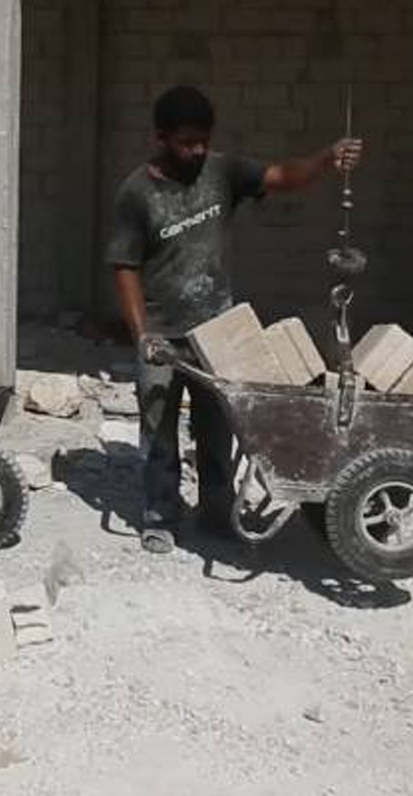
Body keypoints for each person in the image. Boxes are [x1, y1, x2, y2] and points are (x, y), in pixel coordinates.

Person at [105, 85, 364, 554]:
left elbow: (285, 176)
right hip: (162, 334)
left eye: (203, 139)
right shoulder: (136, 193)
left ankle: (216, 512)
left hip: (216, 333)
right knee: (159, 426)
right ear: (161, 137)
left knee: (218, 425)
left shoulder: (222, 172)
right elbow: (125, 266)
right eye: (186, 142)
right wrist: (141, 334)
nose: (197, 150)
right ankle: (160, 515)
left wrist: (327, 159)